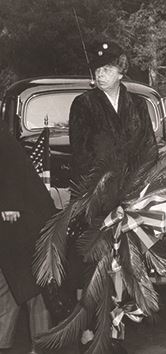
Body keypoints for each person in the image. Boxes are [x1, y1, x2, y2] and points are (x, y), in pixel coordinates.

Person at [69, 40, 157, 353]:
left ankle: (118, 328)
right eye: (98, 69)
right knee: (96, 264)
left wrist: (141, 189)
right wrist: (99, 190)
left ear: (121, 71)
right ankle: (92, 327)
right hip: (99, 199)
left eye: (108, 68)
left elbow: (149, 149)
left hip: (132, 197)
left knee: (127, 263)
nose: (101, 74)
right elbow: (79, 153)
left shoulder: (139, 105)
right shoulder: (84, 104)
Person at [0, 120, 54, 354]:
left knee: (30, 287)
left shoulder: (4, 141)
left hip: (23, 222)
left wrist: (8, 204)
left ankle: (39, 346)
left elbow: (11, 174)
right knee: (9, 284)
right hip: (14, 223)